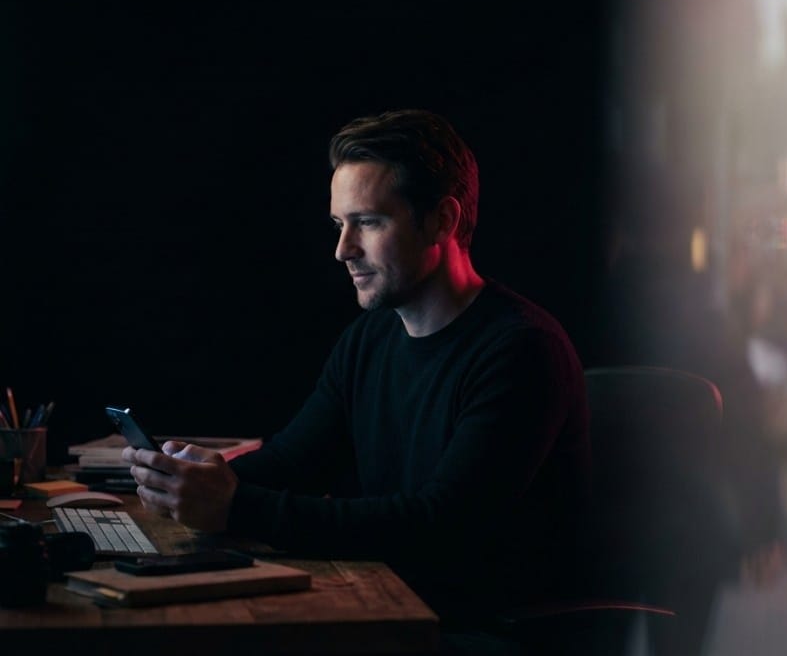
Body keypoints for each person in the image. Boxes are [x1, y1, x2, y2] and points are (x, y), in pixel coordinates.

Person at [121, 110, 591, 641]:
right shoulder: (371, 338)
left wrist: (235, 505)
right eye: (339, 224)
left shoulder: (522, 350)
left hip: (478, 633)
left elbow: (439, 525)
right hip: (391, 607)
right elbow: (295, 460)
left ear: (442, 220)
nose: (343, 249)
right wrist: (193, 478)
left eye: (367, 222)